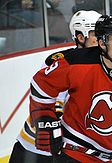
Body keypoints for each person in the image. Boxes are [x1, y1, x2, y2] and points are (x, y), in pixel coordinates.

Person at [27, 15, 112, 162]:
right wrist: (45, 117)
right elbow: (41, 84)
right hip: (74, 148)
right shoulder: (76, 62)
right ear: (102, 43)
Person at [8, 10, 101, 163]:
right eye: (95, 34)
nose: (101, 40)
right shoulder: (61, 62)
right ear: (80, 37)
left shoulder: (104, 66)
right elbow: (53, 104)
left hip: (67, 148)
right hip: (36, 146)